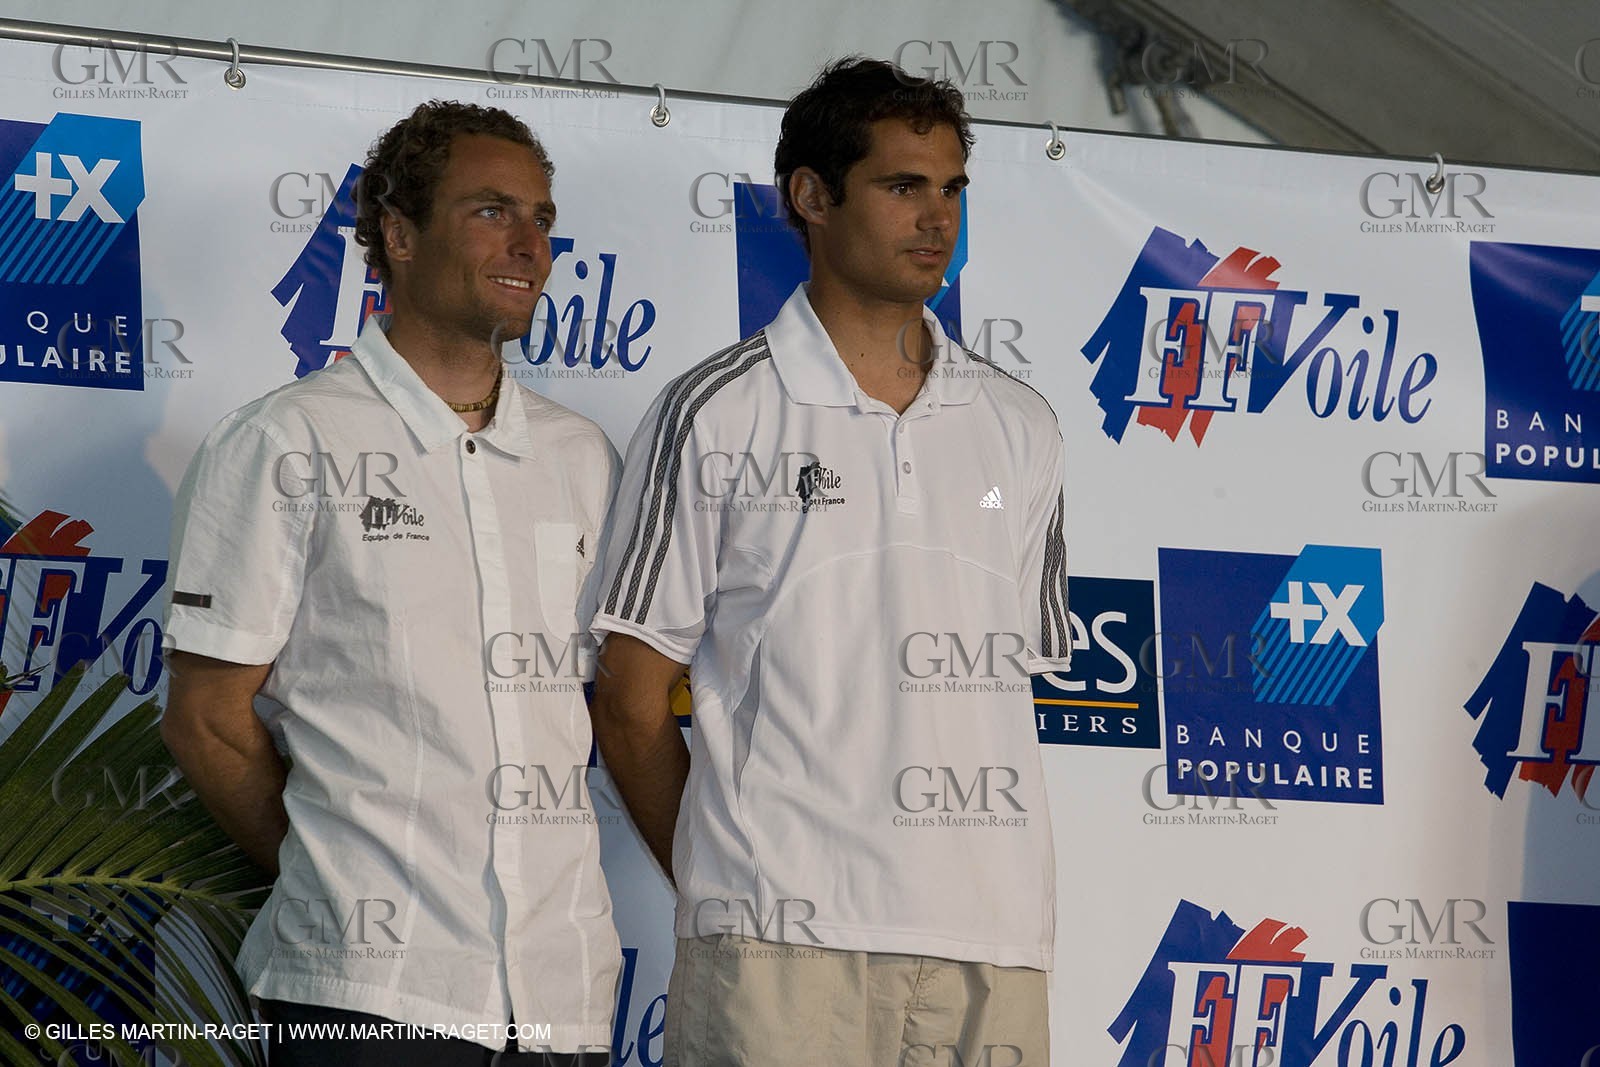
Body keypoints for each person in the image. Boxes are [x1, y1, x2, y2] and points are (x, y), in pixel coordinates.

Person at [588, 58, 1069, 1066]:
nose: (936, 218)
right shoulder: (715, 409)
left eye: (951, 190)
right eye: (902, 186)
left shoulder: (1021, 424)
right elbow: (630, 695)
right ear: (810, 195)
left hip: (992, 947)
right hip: (776, 950)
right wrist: (734, 889)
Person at [162, 100, 619, 1066]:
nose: (530, 243)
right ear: (398, 236)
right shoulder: (287, 441)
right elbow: (206, 719)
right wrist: (339, 878)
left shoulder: (583, 458)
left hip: (560, 993)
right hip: (368, 994)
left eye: (541, 217)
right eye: (492, 211)